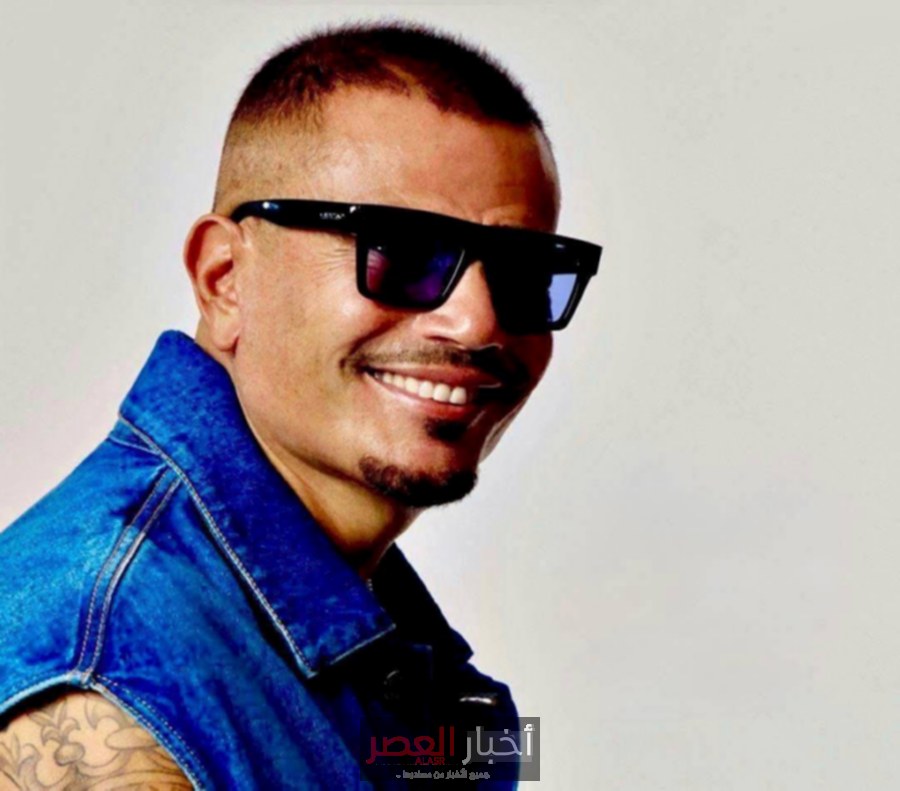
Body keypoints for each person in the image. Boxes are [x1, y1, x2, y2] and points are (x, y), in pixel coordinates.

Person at [0, 22, 601, 790]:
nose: (479, 322)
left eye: (523, 272)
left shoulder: (371, 631)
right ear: (224, 280)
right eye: (403, 251)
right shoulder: (103, 694)